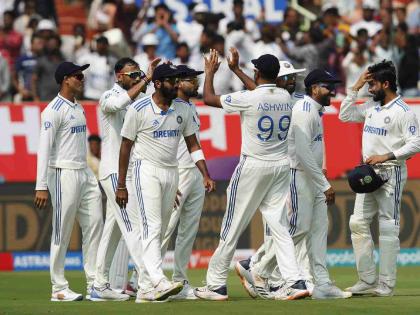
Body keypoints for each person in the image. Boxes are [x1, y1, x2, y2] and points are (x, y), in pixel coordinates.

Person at [194, 50, 308, 301]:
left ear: (257, 73)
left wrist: (212, 72)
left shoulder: (250, 98)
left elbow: (210, 98)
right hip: (280, 166)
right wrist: (236, 70)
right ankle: (295, 281)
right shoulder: (287, 98)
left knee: (232, 225)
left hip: (253, 166)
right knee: (280, 227)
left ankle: (216, 285)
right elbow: (260, 92)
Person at [115, 63, 216, 302]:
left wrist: (205, 173)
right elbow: (125, 147)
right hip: (146, 170)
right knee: (153, 226)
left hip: (172, 172)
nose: (177, 84)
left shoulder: (182, 108)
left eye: (177, 81)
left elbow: (193, 144)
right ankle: (159, 280)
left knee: (159, 231)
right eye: (172, 81)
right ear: (158, 84)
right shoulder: (138, 108)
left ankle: (144, 288)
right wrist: (121, 184)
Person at [339, 60, 420, 297]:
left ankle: (386, 284)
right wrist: (355, 85)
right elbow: (344, 115)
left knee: (388, 227)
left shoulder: (403, 111)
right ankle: (366, 279)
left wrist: (387, 155)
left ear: (386, 83)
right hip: (369, 173)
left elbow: (416, 143)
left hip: (391, 172)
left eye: (373, 84)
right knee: (357, 222)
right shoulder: (371, 107)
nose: (369, 88)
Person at [90, 57, 159, 301]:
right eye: (133, 74)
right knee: (134, 227)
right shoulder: (108, 96)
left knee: (114, 230)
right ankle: (149, 282)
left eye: (139, 73)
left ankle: (99, 285)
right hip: (112, 172)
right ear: (119, 76)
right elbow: (120, 103)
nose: (137, 77)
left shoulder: (139, 97)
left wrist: (153, 82)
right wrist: (147, 79)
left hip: (130, 171)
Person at [34, 62, 104, 301]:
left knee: (95, 224)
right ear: (65, 79)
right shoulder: (52, 110)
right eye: (78, 76)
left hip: (84, 172)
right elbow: (44, 149)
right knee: (61, 231)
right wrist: (41, 185)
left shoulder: (79, 107)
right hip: (63, 173)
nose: (82, 79)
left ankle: (95, 284)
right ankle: (58, 288)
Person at [285, 69, 351, 299]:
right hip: (299, 175)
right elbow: (302, 153)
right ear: (314, 88)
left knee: (319, 231)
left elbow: (315, 148)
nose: (332, 90)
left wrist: (322, 177)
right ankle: (258, 266)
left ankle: (322, 284)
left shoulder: (316, 110)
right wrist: (324, 183)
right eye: (327, 86)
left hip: (313, 178)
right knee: (298, 229)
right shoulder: (304, 110)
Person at [160, 65, 206, 300]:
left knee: (188, 230)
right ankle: (147, 278)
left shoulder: (190, 106)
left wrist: (204, 174)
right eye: (191, 80)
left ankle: (180, 279)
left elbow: (195, 144)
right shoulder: (171, 107)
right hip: (178, 173)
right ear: (178, 83)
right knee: (166, 228)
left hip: (194, 173)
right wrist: (172, 178)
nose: (196, 84)